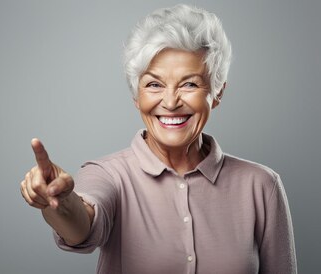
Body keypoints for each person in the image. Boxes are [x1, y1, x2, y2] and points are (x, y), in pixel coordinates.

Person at [19, 4, 296, 274]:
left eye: (190, 84)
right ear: (136, 96)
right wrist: (62, 202)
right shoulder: (108, 175)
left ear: (217, 92)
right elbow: (83, 225)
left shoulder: (262, 186)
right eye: (154, 84)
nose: (171, 102)